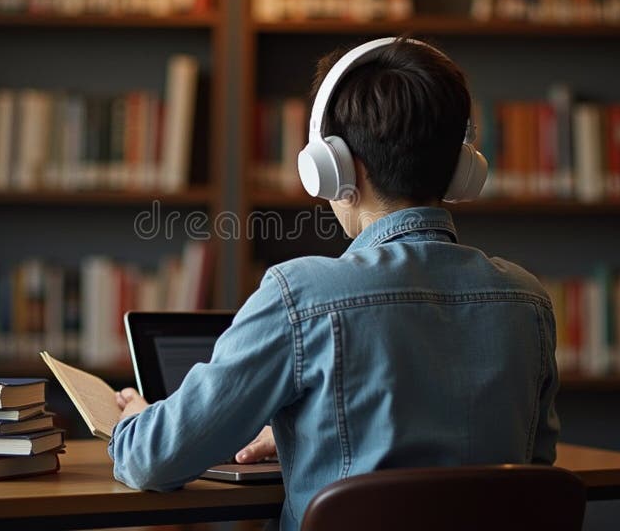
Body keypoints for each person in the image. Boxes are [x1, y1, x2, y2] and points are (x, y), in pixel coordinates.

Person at [108, 37, 559, 531]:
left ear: (336, 166)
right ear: (461, 168)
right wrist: (300, 432)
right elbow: (528, 471)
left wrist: (135, 420)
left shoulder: (300, 294)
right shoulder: (527, 300)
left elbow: (152, 460)